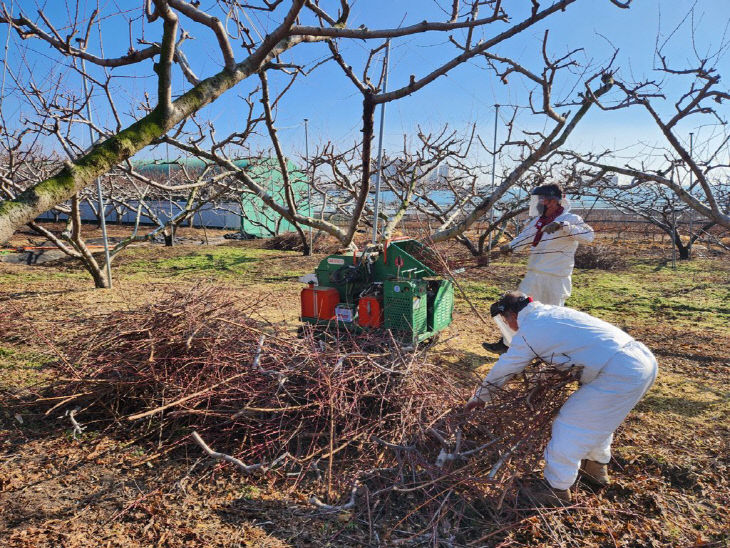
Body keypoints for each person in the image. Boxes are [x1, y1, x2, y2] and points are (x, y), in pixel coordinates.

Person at [466, 291, 657, 507]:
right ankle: (595, 468)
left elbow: (505, 367)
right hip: (642, 361)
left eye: (504, 320)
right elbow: (564, 350)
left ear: (511, 315)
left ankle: (555, 488)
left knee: (569, 424)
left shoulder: (530, 330)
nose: (507, 326)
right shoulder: (551, 314)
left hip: (618, 370)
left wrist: (480, 397)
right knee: (597, 420)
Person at [483, 183, 594, 353]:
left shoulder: (571, 219)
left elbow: (589, 236)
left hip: (555, 278)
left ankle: (550, 353)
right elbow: (524, 238)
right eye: (538, 199)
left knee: (551, 318)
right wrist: (510, 247)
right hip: (533, 275)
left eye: (543, 199)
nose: (539, 203)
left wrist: (563, 226)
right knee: (515, 311)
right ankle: (508, 344)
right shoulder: (538, 221)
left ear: (555, 201)